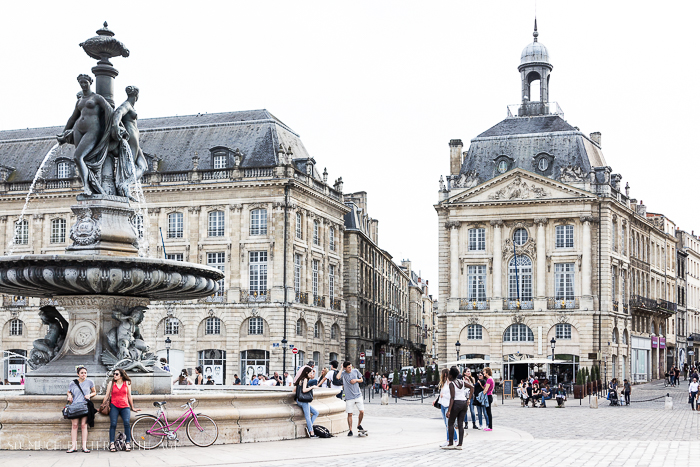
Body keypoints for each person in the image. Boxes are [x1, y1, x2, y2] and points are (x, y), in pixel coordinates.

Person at [104, 368, 140, 452]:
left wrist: (132, 407)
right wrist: (103, 406)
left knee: (127, 423)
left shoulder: (127, 383)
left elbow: (129, 396)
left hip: (125, 406)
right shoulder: (111, 383)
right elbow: (107, 395)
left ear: (121, 375)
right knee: (113, 424)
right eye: (114, 374)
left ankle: (127, 443)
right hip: (114, 406)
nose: (114, 375)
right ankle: (112, 443)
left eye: (116, 374)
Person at [66, 365, 96, 453]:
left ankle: (84, 447)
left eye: (85, 373)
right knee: (74, 425)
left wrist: (89, 395)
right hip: (75, 405)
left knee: (84, 425)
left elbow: (94, 392)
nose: (84, 374)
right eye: (82, 373)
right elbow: (68, 391)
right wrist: (69, 395)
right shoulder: (73, 383)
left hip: (85, 406)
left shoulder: (90, 382)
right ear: (78, 374)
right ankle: (73, 446)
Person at [442, 366, 471, 450]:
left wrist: (449, 411)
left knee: (450, 423)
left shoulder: (452, 384)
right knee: (460, 424)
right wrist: (468, 399)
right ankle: (460, 444)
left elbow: (452, 397)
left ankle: (451, 443)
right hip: (463, 403)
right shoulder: (461, 382)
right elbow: (472, 387)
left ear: (451, 375)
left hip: (457, 403)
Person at [340, 361, 364, 436]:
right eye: (348, 367)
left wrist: (356, 380)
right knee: (350, 414)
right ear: (345, 368)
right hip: (349, 397)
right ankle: (350, 430)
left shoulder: (355, 371)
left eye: (351, 367)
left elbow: (361, 379)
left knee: (362, 411)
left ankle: (359, 424)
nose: (350, 368)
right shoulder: (343, 373)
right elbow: (337, 377)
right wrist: (341, 369)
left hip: (358, 395)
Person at [294, 366, 319, 438]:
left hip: (300, 400)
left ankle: (309, 427)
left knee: (316, 412)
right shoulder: (304, 379)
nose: (311, 374)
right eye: (310, 373)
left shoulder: (301, 379)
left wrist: (314, 372)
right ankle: (311, 432)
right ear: (306, 373)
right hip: (304, 401)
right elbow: (304, 390)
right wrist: (312, 387)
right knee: (307, 416)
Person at [437, 368, 458, 446]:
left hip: (448, 405)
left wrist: (443, 395)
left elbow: (452, 395)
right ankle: (448, 440)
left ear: (445, 374)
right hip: (443, 404)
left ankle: (455, 440)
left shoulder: (450, 383)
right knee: (446, 425)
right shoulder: (444, 383)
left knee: (449, 424)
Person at [482, 367, 494, 432]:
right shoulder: (490, 379)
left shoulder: (489, 379)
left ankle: (490, 426)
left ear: (487, 372)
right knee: (488, 411)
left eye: (484, 371)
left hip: (488, 396)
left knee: (488, 412)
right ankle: (489, 426)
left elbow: (486, 389)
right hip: (489, 396)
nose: (483, 372)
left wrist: (481, 394)